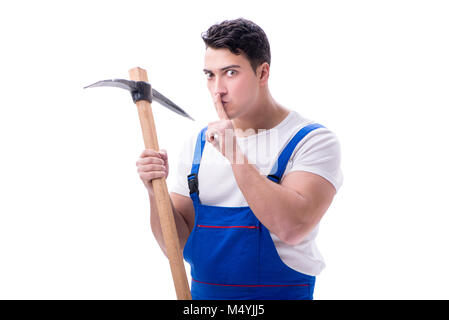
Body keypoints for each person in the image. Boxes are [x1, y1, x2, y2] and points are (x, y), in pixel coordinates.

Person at [136, 18, 343, 300]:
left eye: (230, 73)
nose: (217, 88)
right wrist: (153, 191)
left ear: (263, 72)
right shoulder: (198, 145)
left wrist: (235, 154)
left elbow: (292, 227)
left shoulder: (310, 141)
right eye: (210, 75)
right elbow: (177, 244)